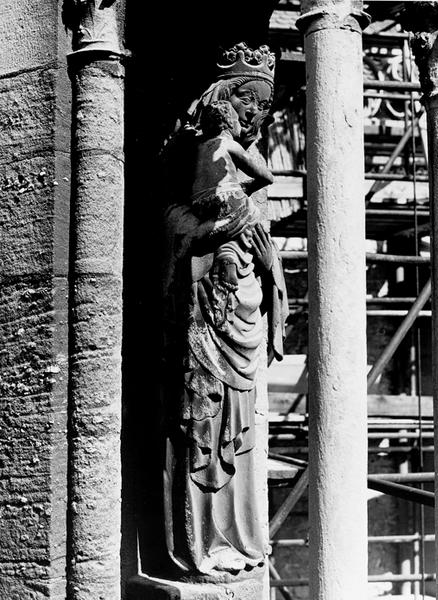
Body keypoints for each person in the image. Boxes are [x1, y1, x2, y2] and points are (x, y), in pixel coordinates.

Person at [161, 42, 288, 578]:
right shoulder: (207, 155)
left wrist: (271, 276)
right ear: (224, 99)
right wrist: (224, 231)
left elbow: (263, 247)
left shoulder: (238, 169)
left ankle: (240, 537)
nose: (256, 115)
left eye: (264, 107)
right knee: (204, 428)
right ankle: (201, 544)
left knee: (242, 430)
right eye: (249, 102)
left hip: (244, 319)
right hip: (208, 320)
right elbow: (181, 227)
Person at [191, 100, 273, 295]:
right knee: (249, 215)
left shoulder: (199, 146)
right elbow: (265, 176)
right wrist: (249, 187)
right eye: (236, 119)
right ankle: (230, 259)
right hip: (226, 199)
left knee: (225, 226)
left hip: (199, 206)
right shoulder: (228, 143)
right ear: (228, 122)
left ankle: (225, 256)